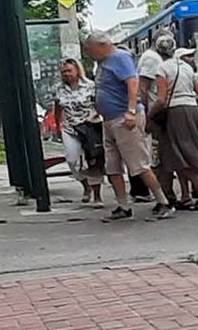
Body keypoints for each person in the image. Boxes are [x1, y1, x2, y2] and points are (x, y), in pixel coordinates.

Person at [84, 32, 169, 221]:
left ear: (101, 45)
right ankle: (123, 205)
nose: (88, 53)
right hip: (108, 119)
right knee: (112, 166)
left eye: (90, 50)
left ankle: (163, 202)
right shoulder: (104, 62)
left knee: (138, 164)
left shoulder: (119, 58)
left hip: (124, 118)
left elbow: (133, 83)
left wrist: (131, 111)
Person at [154, 35, 198, 210]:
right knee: (185, 153)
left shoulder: (162, 68)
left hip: (175, 112)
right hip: (192, 110)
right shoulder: (187, 68)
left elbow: (161, 99)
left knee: (178, 154)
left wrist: (150, 115)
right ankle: (186, 195)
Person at [52, 58, 103, 205]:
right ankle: (86, 186)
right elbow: (57, 108)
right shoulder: (59, 89)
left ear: (77, 70)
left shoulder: (90, 86)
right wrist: (57, 126)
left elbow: (98, 104)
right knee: (72, 160)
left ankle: (97, 196)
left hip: (89, 127)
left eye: (69, 70)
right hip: (70, 128)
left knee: (93, 160)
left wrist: (94, 116)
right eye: (63, 72)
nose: (66, 74)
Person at [136, 38, 173, 205]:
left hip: (155, 113)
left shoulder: (153, 58)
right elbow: (143, 88)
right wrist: (146, 116)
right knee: (157, 155)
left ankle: (166, 193)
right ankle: (164, 196)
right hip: (154, 115)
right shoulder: (151, 59)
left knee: (161, 154)